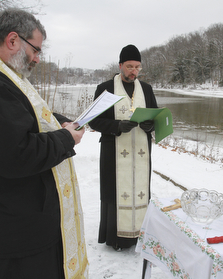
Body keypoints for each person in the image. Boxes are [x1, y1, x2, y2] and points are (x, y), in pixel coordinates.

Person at [0, 9, 88, 279]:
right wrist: (65, 138)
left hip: (22, 225)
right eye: (36, 49)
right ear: (13, 40)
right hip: (18, 236)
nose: (37, 58)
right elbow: (16, 154)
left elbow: (23, 118)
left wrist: (58, 122)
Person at [89, 45, 158, 251]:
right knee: (114, 193)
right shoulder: (105, 88)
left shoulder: (146, 89)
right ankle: (116, 238)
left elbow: (155, 117)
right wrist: (117, 126)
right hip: (113, 152)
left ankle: (140, 235)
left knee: (141, 193)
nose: (133, 71)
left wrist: (150, 125)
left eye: (137, 67)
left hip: (141, 154)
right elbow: (94, 121)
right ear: (120, 65)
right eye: (129, 66)